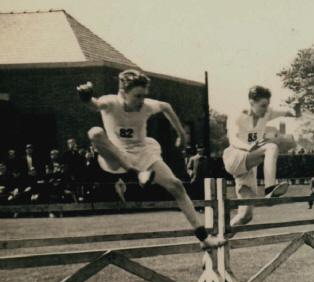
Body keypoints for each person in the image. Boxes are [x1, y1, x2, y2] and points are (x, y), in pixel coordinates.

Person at [76, 69, 224, 249]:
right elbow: (94, 104)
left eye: (144, 96)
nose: (141, 101)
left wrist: (181, 135)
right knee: (95, 133)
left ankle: (204, 238)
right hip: (116, 155)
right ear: (122, 93)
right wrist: (85, 95)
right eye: (137, 96)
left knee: (176, 186)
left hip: (142, 151)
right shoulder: (111, 102)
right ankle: (136, 173)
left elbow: (166, 107)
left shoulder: (146, 105)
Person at [223, 85, 300, 226]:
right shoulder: (237, 115)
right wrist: (248, 147)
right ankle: (269, 188)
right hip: (234, 157)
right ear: (251, 102)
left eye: (268, 105)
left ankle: (220, 237)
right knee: (271, 147)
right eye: (262, 106)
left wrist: (296, 105)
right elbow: (232, 139)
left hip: (248, 166)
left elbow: (290, 113)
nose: (266, 110)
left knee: (245, 215)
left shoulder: (267, 112)